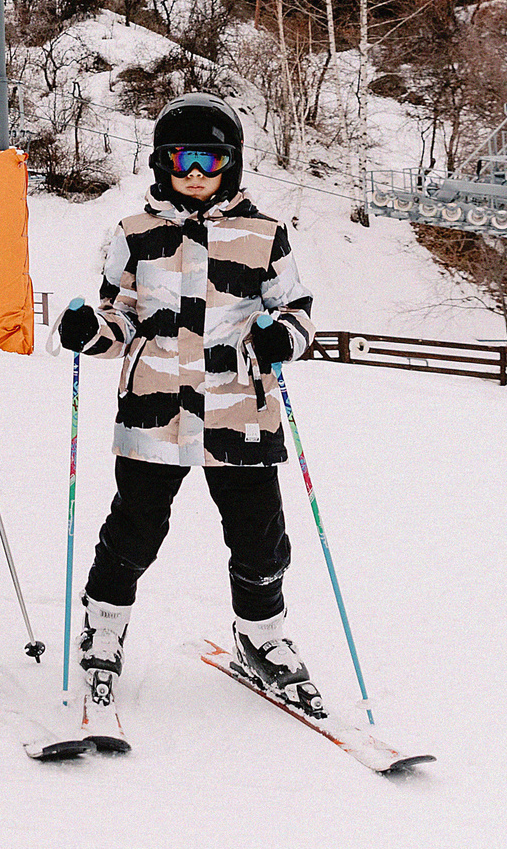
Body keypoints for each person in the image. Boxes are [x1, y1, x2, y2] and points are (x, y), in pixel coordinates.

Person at [55, 94, 324, 715]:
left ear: (232, 163)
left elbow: (296, 310)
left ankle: (262, 635)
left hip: (240, 412)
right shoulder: (133, 234)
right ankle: (104, 624)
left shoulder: (265, 235)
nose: (197, 173)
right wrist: (90, 331)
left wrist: (282, 337)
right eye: (183, 160)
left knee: (260, 536)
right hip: (155, 410)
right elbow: (120, 315)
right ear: (162, 164)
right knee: (134, 528)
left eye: (211, 159)